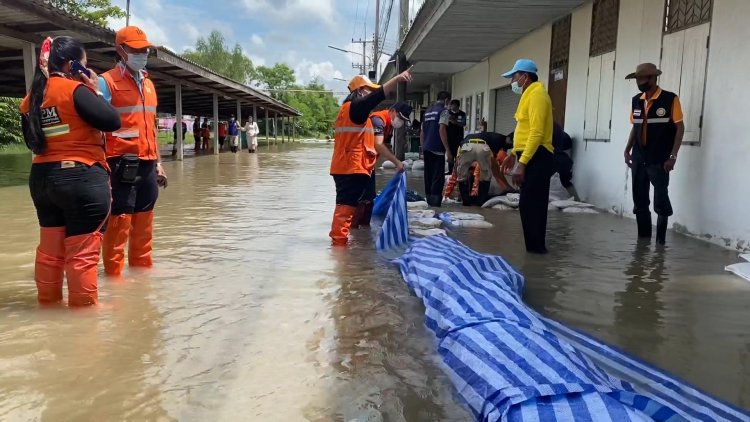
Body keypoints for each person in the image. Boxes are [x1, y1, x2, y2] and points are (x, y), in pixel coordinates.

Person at [20, 36, 121, 305]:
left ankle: (48, 308)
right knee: (82, 256)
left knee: (50, 252)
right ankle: (85, 327)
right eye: (83, 64)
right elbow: (112, 121)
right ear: (71, 64)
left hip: (42, 181)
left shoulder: (30, 99)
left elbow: (33, 142)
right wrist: (95, 89)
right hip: (82, 178)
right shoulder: (75, 90)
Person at [98, 26, 167, 276]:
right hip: (119, 164)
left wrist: (158, 162)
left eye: (146, 50)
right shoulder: (105, 83)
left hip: (148, 164)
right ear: (121, 50)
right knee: (119, 222)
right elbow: (95, 126)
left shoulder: (148, 84)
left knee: (144, 222)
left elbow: (152, 125)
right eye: (137, 50)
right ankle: (114, 279)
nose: (143, 54)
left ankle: (142, 273)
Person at [329, 71, 412, 246]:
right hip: (350, 167)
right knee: (345, 210)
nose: (370, 95)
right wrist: (396, 79)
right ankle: (339, 251)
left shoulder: (352, 112)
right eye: (368, 91)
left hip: (351, 167)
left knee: (347, 208)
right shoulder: (355, 108)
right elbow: (377, 96)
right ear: (360, 91)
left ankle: (342, 252)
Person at [624, 63, 684, 245]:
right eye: (637, 79)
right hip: (639, 157)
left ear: (652, 78)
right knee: (640, 201)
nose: (639, 83)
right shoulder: (636, 100)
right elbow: (635, 127)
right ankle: (642, 243)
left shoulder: (670, 99)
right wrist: (627, 150)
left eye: (642, 79)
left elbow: (680, 127)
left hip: (660, 159)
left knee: (660, 201)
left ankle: (660, 244)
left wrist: (672, 156)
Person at [500, 59, 554, 254]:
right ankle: (533, 249)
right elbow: (523, 129)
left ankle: (537, 251)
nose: (512, 81)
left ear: (525, 76)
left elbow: (537, 133)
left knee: (532, 206)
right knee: (527, 206)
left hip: (537, 156)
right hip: (528, 154)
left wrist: (522, 164)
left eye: (514, 76)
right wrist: (513, 153)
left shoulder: (538, 95)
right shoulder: (528, 95)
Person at [352, 102, 414, 228]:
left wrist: (397, 163)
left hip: (368, 163)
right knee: (361, 198)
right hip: (358, 163)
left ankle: (364, 233)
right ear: (392, 110)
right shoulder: (378, 120)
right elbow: (378, 145)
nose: (400, 121)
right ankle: (353, 232)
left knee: (369, 197)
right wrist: (396, 162)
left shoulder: (389, 125)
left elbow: (385, 145)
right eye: (400, 117)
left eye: (403, 119)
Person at [443, 137, 507, 206]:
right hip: (483, 148)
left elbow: (456, 173)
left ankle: (466, 201)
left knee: (462, 177)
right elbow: (492, 171)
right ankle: (481, 201)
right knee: (485, 176)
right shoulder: (489, 152)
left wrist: (447, 194)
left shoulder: (462, 146)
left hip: (468, 147)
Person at [421, 91, 452, 207]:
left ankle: (428, 201)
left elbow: (422, 132)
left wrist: (423, 147)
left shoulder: (428, 111)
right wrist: (448, 150)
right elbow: (442, 129)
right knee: (438, 177)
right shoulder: (443, 111)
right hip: (437, 148)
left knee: (428, 175)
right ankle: (435, 204)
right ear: (447, 100)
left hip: (427, 148)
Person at [552, 122, 579, 200]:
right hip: (563, 158)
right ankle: (577, 199)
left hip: (560, 156)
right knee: (565, 181)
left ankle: (576, 199)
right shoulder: (559, 132)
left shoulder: (558, 135)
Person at [446, 99, 467, 174]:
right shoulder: (448, 113)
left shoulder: (462, 114)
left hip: (459, 138)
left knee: (458, 155)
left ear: (458, 106)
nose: (452, 106)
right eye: (451, 105)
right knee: (450, 155)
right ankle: (450, 171)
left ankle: (458, 172)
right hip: (450, 138)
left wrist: (454, 122)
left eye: (454, 105)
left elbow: (463, 123)